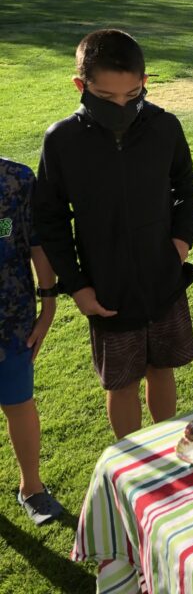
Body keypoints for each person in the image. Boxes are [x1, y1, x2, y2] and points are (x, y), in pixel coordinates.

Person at [33, 30, 193, 440]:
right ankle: (133, 461)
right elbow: (50, 219)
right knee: (122, 382)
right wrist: (77, 287)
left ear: (144, 82)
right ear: (81, 86)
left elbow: (184, 186)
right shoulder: (62, 141)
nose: (121, 106)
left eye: (132, 94)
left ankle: (168, 447)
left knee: (161, 368)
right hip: (106, 289)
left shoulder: (165, 127)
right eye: (107, 98)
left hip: (162, 278)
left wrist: (181, 241)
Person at [1, 158, 65, 525]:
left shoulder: (17, 179)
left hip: (11, 321)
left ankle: (32, 488)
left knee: (19, 404)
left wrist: (49, 302)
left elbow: (38, 243)